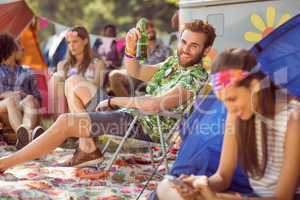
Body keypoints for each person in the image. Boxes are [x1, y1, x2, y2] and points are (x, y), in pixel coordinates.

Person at [0, 19, 216, 170]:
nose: (185, 49)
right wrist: (130, 49)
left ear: (205, 51)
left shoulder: (194, 77)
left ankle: (6, 163)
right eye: (184, 42)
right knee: (73, 81)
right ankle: (87, 148)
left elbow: (153, 105)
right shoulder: (173, 64)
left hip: (142, 126)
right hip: (128, 115)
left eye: (194, 46)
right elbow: (136, 71)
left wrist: (113, 100)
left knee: (66, 121)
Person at [156, 49, 300, 200]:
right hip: (252, 196)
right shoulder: (236, 115)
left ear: (255, 86)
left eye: (232, 99)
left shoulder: (293, 119)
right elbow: (223, 177)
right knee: (166, 186)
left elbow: (283, 197)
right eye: (223, 101)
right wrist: (198, 184)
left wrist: (218, 198)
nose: (229, 109)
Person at [48, 26, 106, 118]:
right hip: (67, 103)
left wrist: (76, 81)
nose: (71, 45)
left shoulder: (98, 63)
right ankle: (59, 121)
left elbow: (98, 86)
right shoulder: (63, 65)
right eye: (69, 42)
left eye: (75, 41)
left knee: (71, 82)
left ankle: (64, 123)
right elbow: (59, 86)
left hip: (90, 102)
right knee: (56, 78)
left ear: (85, 41)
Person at [0, 33, 42, 150]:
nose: (22, 49)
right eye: (18, 46)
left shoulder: (27, 72)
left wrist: (26, 96)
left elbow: (38, 98)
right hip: (3, 105)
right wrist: (5, 94)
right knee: (11, 100)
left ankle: (25, 135)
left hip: (22, 105)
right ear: (11, 49)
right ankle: (26, 138)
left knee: (31, 99)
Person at [109, 20, 172, 97]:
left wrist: (153, 78)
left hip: (154, 76)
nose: (150, 30)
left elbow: (170, 69)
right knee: (114, 76)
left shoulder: (165, 48)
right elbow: (125, 67)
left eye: (151, 27)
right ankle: (128, 106)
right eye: (146, 28)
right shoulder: (135, 47)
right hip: (136, 76)